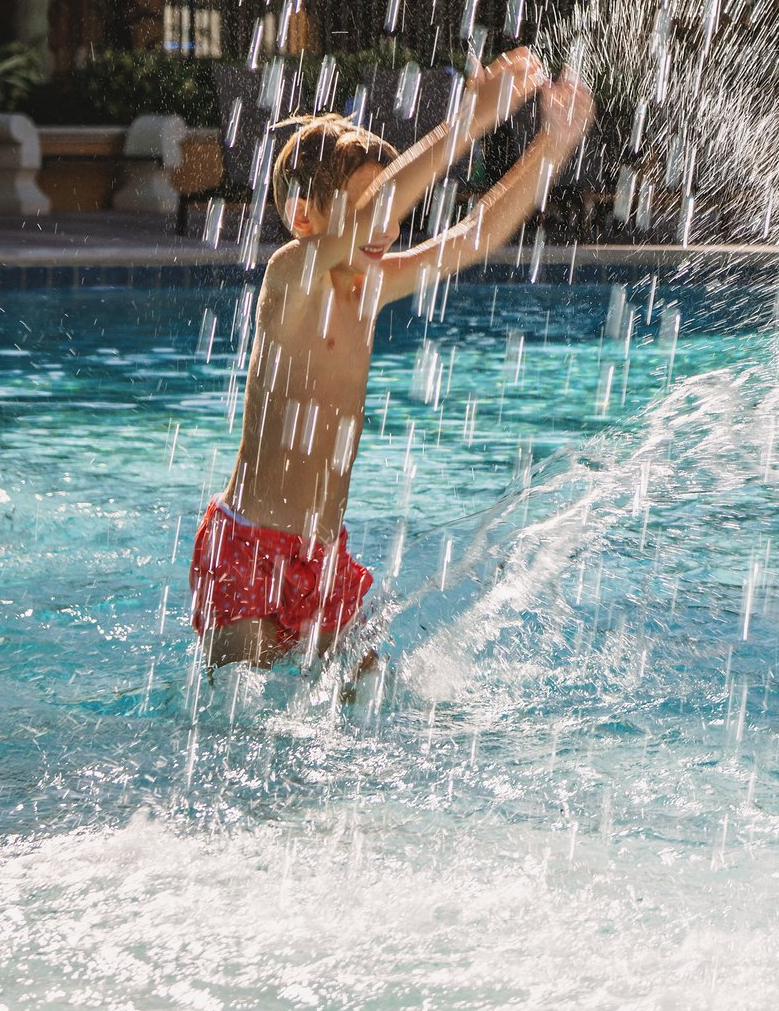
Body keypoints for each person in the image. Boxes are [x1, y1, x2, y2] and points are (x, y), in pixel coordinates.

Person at [190, 48, 594, 671]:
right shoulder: (290, 277)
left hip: (321, 557)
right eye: (367, 208)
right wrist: (468, 120)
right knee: (234, 724)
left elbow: (476, 236)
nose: (389, 230)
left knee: (364, 696)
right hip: (248, 545)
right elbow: (372, 217)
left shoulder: (369, 288)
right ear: (305, 216)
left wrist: (552, 145)